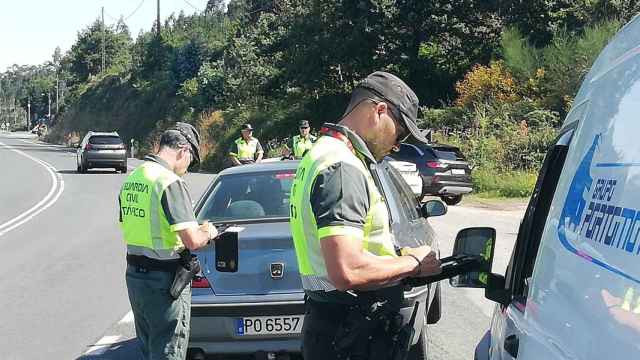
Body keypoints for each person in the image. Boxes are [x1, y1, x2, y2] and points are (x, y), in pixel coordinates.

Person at [289, 71, 442, 360]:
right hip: (354, 332)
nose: (398, 144)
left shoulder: (319, 153)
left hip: (332, 324)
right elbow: (348, 269)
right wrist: (413, 263)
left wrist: (393, 257)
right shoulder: (342, 167)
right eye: (401, 131)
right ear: (379, 111)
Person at [119, 122, 219, 360]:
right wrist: (209, 231)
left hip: (136, 278)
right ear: (183, 150)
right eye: (191, 160)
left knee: (150, 349)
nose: (187, 168)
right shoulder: (169, 182)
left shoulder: (135, 177)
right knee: (168, 351)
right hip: (165, 283)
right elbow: (193, 240)